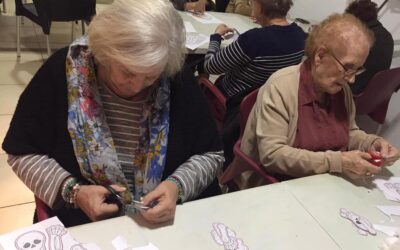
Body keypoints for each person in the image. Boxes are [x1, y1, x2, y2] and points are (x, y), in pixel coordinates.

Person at [2, 0, 223, 227]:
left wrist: (177, 186)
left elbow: (210, 154)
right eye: (127, 72)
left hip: (163, 225)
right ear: (101, 52)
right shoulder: (61, 73)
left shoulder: (173, 75)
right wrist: (73, 191)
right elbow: (21, 154)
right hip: (85, 224)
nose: (137, 87)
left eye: (150, 77)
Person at [224, 13, 399, 190]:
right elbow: (273, 156)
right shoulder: (281, 88)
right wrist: (339, 162)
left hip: (320, 182)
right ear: (320, 56)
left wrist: (371, 143)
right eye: (347, 67)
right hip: (275, 185)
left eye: (357, 69)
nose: (352, 79)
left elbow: (349, 132)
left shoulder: (341, 89)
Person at [203, 0, 306, 168]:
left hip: (234, 100)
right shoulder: (299, 35)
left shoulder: (253, 39)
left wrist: (216, 37)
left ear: (260, 7)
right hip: (270, 99)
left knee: (202, 77)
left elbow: (211, 66)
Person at [345, 0, 394, 95]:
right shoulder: (387, 35)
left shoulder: (363, 37)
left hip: (354, 92)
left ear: (355, 19)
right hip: (373, 95)